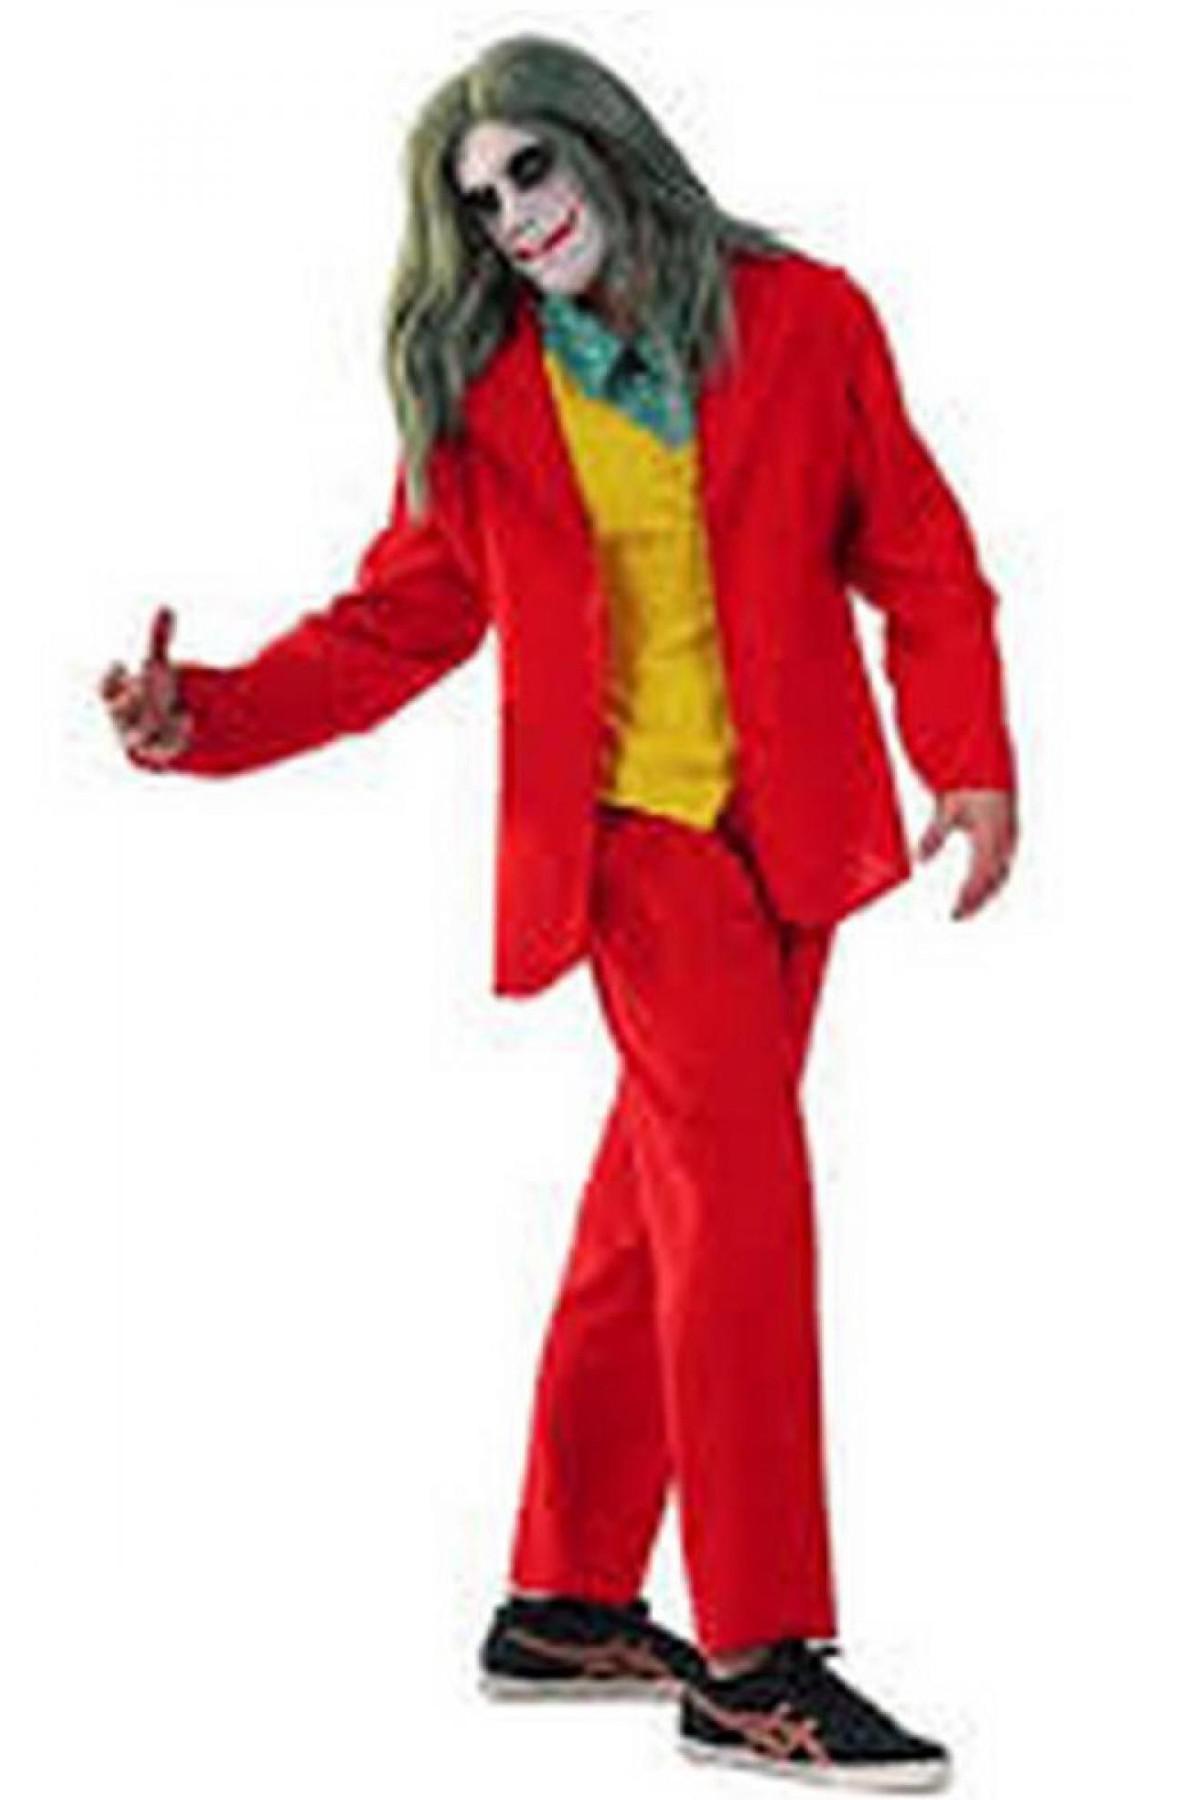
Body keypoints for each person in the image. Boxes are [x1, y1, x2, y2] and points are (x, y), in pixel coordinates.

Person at [99, 32, 1018, 1791]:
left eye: (530, 170)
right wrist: (198, 716)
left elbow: (912, 545)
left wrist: (967, 756)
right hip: (634, 851)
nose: (513, 217)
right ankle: (753, 1655)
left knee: (652, 1216)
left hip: (797, 833)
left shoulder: (806, 317)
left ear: (607, 148)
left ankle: (567, 1598)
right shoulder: (488, 400)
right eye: (478, 201)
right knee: (740, 1212)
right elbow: (396, 626)